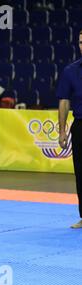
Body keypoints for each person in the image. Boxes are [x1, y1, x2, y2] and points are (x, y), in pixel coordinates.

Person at [57, 30, 82, 229]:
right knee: (80, 172)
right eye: (81, 42)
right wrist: (62, 131)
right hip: (80, 126)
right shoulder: (70, 71)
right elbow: (64, 102)